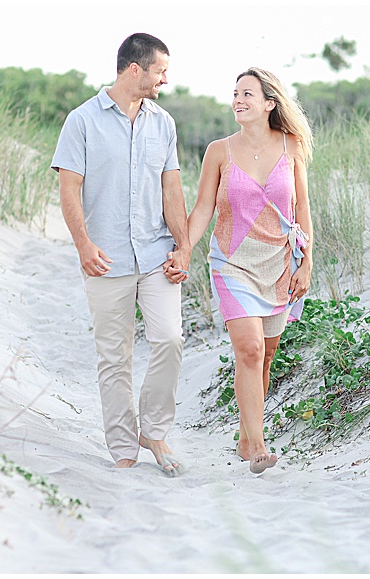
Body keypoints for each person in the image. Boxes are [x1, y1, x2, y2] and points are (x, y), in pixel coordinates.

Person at [51, 33, 191, 477]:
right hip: (105, 257)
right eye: (160, 71)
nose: (165, 79)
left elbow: (172, 189)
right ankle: (122, 445)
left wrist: (183, 246)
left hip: (155, 254)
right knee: (115, 356)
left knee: (169, 339)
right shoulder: (82, 121)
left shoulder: (163, 123)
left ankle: (154, 430)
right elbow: (68, 188)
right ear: (135, 70)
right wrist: (83, 245)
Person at [181, 67, 314, 474]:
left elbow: (303, 210)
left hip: (280, 263)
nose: (238, 99)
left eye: (247, 94)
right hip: (232, 262)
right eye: (235, 93)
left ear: (269, 103)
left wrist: (307, 264)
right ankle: (256, 444)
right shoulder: (218, 151)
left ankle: (244, 432)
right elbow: (204, 206)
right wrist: (184, 248)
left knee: (268, 354)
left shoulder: (291, 147)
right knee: (250, 349)